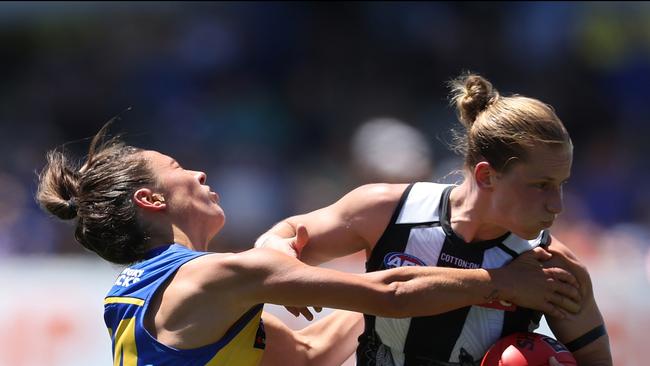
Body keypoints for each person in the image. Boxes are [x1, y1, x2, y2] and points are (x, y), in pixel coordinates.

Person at [36, 122, 580, 366]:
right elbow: (388, 296)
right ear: (151, 201)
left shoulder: (135, 297)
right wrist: (500, 281)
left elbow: (312, 353)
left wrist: (395, 249)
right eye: (178, 168)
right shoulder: (216, 276)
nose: (199, 172)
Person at [256, 74, 613, 365]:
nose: (557, 205)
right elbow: (280, 238)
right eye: (541, 186)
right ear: (487, 176)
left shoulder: (555, 269)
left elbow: (596, 359)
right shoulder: (388, 211)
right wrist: (282, 258)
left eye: (562, 185)